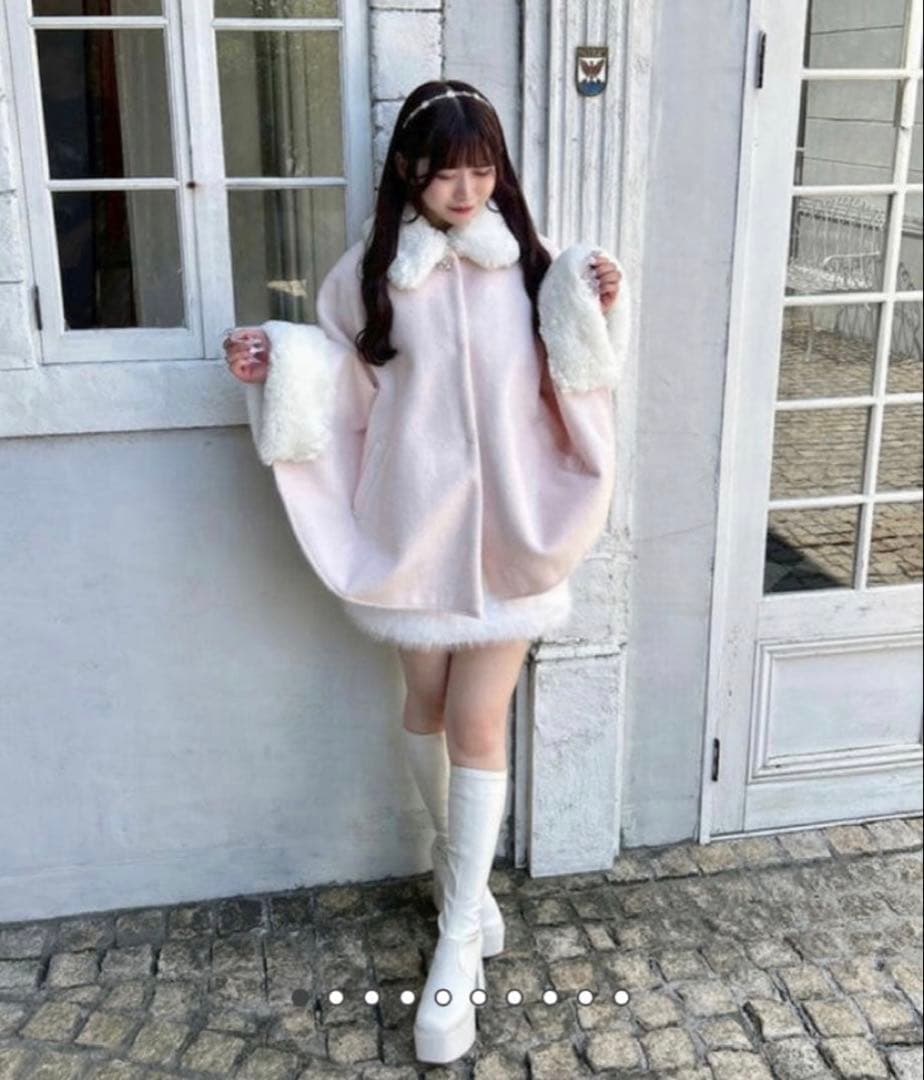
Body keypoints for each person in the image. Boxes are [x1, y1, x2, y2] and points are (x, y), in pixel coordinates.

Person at [223, 78, 630, 1065]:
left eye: (481, 170)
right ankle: (464, 879)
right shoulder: (369, 274)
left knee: (478, 719)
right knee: (427, 703)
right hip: (416, 527)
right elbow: (338, 376)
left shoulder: (529, 264)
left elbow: (575, 365)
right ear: (409, 169)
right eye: (446, 171)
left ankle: (456, 939)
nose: (465, 189)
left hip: (512, 533)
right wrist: (275, 360)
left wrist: (594, 295)